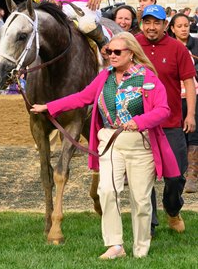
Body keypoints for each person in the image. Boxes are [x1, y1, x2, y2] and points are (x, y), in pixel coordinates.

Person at [31, 32, 180, 259]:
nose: (111, 55)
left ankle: (141, 248)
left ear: (131, 54)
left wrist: (139, 121)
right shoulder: (105, 78)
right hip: (110, 142)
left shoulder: (147, 78)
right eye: (109, 51)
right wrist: (50, 107)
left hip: (140, 146)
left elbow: (163, 110)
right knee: (107, 191)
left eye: (117, 52)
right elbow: (82, 97)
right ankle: (115, 245)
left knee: (140, 200)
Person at [136, 4, 196, 235]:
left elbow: (189, 82)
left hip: (171, 123)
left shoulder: (177, 49)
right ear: (142, 23)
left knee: (174, 176)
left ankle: (172, 209)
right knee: (143, 177)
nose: (151, 27)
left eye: (157, 22)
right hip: (140, 125)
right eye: (147, 22)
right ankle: (148, 223)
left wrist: (190, 114)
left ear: (165, 25)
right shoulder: (133, 44)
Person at [168, 13, 198, 193]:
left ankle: (193, 175)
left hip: (194, 91)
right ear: (172, 29)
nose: (183, 29)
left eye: (186, 25)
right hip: (175, 94)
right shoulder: (169, 46)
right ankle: (179, 170)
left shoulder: (196, 45)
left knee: (194, 131)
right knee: (177, 131)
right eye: (179, 26)